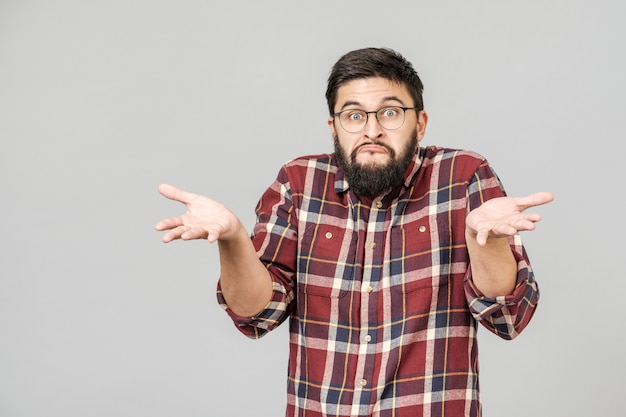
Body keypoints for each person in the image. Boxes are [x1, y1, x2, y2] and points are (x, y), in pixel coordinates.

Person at [155, 47, 554, 417]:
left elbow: (508, 317)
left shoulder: (464, 176)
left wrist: (488, 241)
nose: (372, 130)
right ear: (334, 127)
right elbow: (258, 314)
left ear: (421, 123)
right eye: (354, 115)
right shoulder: (298, 182)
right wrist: (232, 240)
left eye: (391, 112)